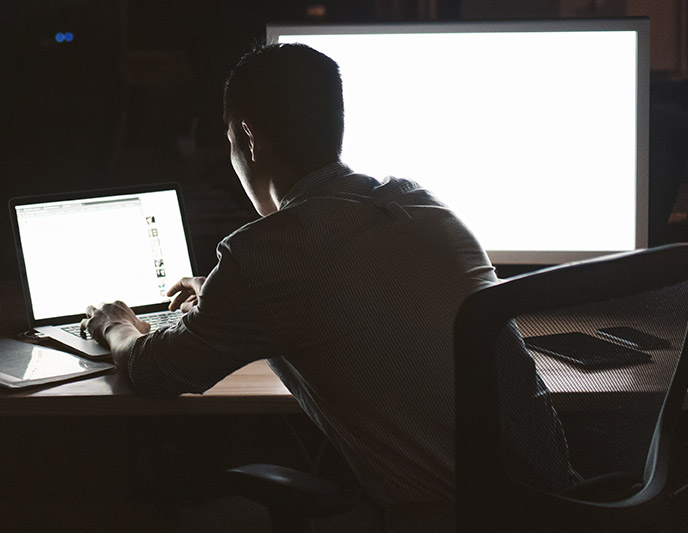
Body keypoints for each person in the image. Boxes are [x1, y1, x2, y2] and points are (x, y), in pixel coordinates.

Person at [81, 43, 572, 531]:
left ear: (248, 138)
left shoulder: (263, 254)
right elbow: (359, 286)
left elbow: (156, 372)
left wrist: (116, 324)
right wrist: (222, 294)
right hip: (556, 510)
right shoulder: (424, 205)